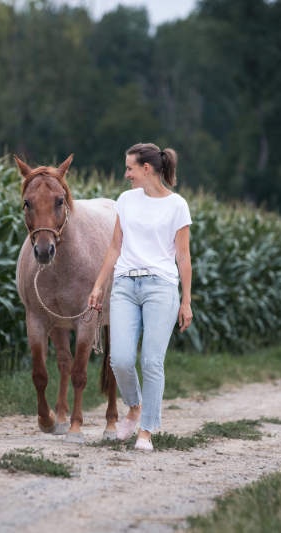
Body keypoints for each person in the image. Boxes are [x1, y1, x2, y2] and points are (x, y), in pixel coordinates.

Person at [88, 142, 193, 452]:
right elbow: (114, 248)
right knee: (119, 359)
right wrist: (98, 285)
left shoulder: (177, 206)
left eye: (130, 168)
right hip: (124, 286)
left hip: (161, 288)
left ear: (147, 169)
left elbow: (184, 258)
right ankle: (133, 406)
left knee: (150, 361)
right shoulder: (126, 200)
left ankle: (146, 430)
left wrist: (185, 302)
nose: (126, 174)